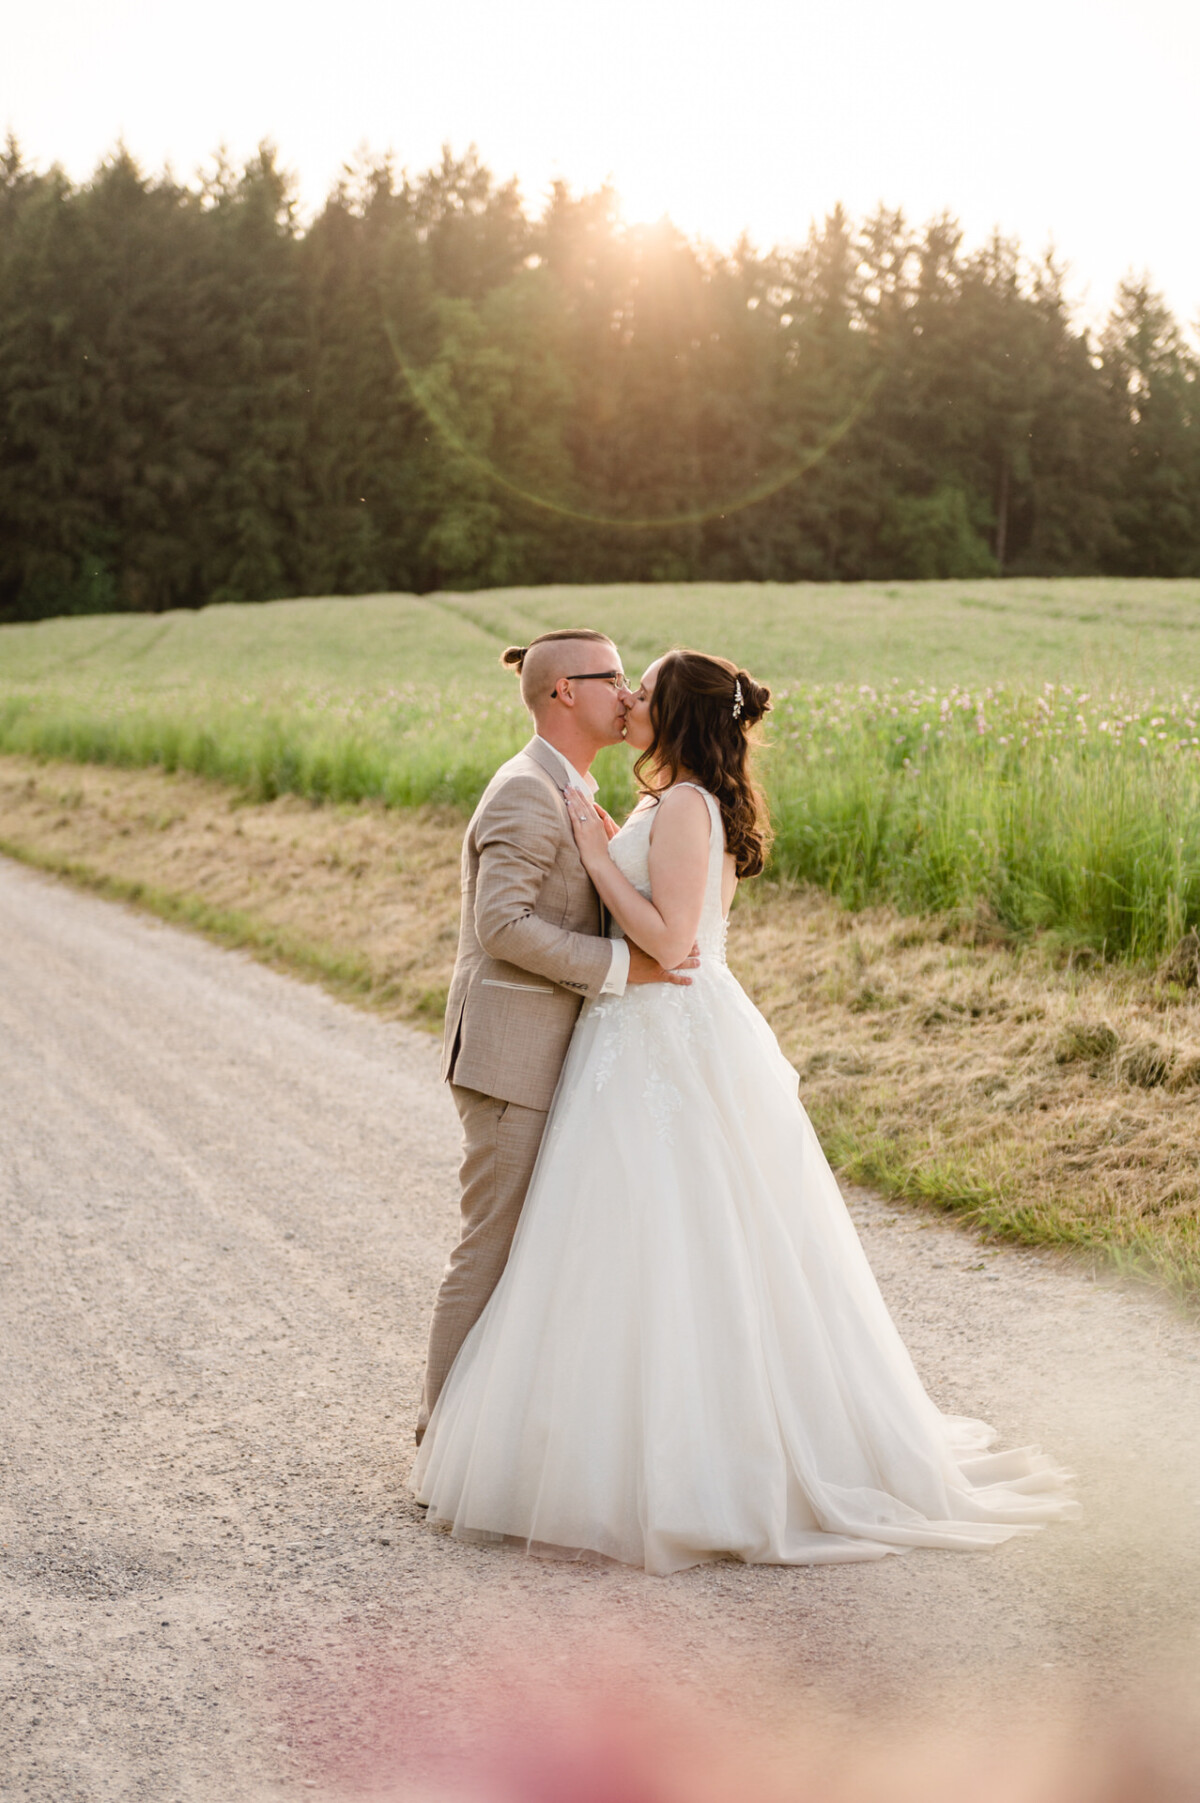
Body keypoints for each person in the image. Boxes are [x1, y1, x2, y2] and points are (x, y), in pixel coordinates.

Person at [413, 648, 1078, 1573]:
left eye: (641, 688)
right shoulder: (652, 800)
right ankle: (511, 1442)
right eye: (619, 683)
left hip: (664, 1029)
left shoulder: (684, 806)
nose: (630, 699)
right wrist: (613, 845)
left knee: (689, 1247)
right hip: (627, 1036)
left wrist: (602, 857)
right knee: (617, 1247)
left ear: (674, 714)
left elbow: (673, 941)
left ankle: (689, 1462)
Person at [416, 629, 698, 1447]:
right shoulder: (524, 790)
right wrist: (623, 967)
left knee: (540, 1251)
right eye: (613, 676)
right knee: (492, 1246)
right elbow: (502, 925)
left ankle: (505, 1436)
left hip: (557, 1050)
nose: (628, 692)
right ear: (565, 692)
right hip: (511, 1055)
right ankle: (441, 1442)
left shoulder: (569, 785)